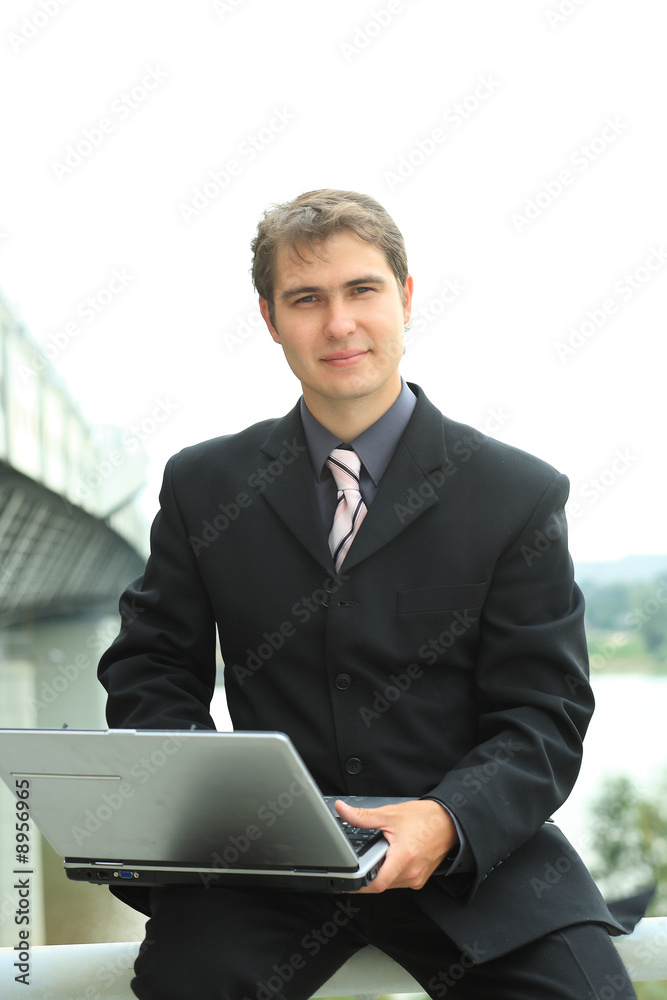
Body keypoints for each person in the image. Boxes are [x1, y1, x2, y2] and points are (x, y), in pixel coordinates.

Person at [98, 189, 638, 999]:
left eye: (362, 290)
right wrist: (205, 808)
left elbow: (543, 715)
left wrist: (448, 820)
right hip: (261, 865)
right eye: (306, 299)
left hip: (471, 861)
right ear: (270, 319)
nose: (339, 324)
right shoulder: (203, 484)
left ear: (406, 297)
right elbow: (152, 671)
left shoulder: (514, 491)